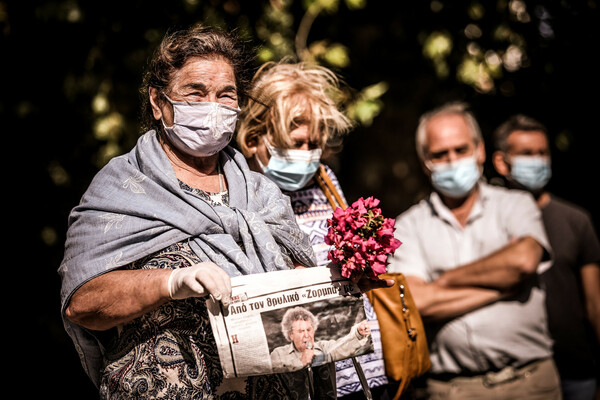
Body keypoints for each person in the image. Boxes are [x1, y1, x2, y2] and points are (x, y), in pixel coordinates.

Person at [58, 24, 325, 400]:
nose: (212, 108)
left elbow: (302, 298)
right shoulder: (121, 187)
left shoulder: (262, 192)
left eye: (225, 95)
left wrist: (337, 285)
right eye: (195, 94)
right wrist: (171, 283)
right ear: (157, 101)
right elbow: (83, 302)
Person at [236, 60, 390, 399]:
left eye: (314, 144)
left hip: (363, 370)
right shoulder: (237, 197)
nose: (307, 155)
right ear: (253, 138)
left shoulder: (324, 181)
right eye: (296, 143)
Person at [387, 101, 561, 399]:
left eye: (461, 149)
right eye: (440, 155)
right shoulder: (407, 226)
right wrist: (501, 287)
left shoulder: (516, 204)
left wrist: (442, 281)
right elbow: (416, 302)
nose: (452, 160)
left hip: (531, 381)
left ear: (480, 150)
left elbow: (523, 261)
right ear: (424, 161)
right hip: (453, 389)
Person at [492, 114, 600, 400]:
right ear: (501, 162)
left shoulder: (576, 220)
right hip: (516, 373)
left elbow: (594, 302)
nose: (537, 161)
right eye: (526, 154)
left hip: (576, 369)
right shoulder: (488, 220)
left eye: (542, 153)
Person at [270, 306, 372, 372]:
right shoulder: (279, 354)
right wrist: (300, 363)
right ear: (291, 335)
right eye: (301, 331)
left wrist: (359, 333)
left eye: (309, 330)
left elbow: (342, 347)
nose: (307, 335)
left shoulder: (323, 347)